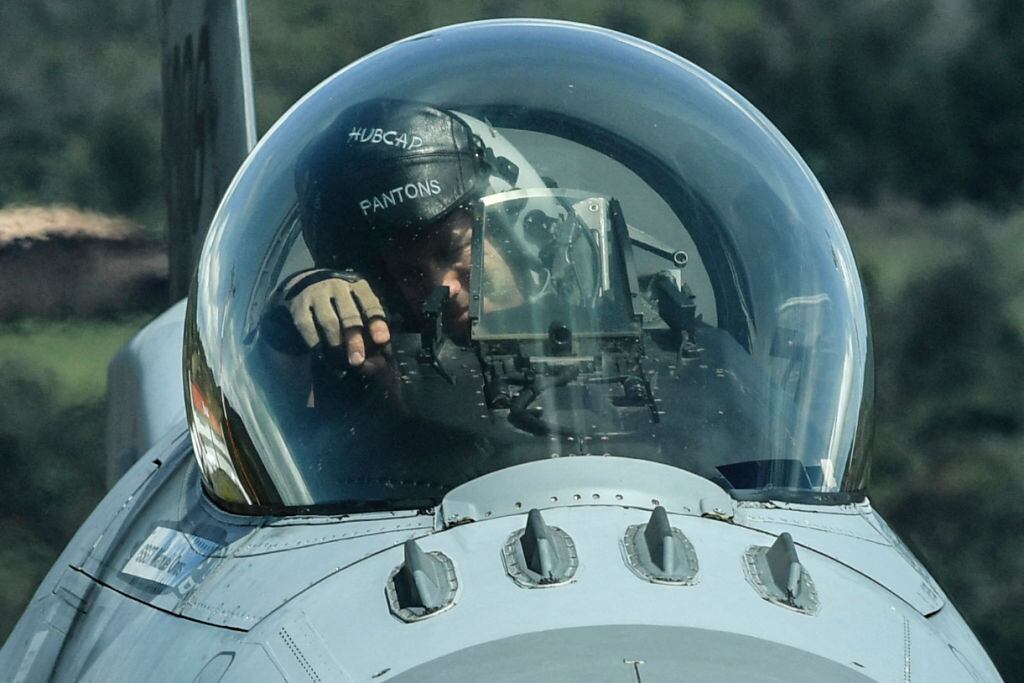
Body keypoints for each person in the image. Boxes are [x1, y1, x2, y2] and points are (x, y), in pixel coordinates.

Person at [262, 98, 524, 374]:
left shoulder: (575, 315)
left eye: (453, 250)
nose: (445, 287)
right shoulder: (393, 379)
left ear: (507, 234)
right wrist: (297, 309)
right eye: (410, 274)